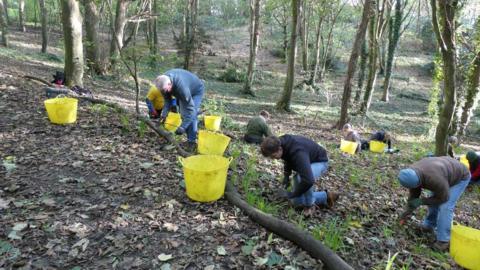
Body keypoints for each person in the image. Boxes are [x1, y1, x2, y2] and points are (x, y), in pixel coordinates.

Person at [397, 156, 470, 251]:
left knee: (445, 206)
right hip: (443, 173)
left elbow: (443, 197)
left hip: (460, 176)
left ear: (418, 182)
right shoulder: (411, 173)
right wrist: (407, 212)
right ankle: (429, 225)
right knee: (433, 200)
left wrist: (422, 201)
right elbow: (414, 194)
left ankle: (444, 240)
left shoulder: (434, 179)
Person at [260, 135, 339, 208]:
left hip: (319, 161)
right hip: (307, 160)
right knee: (296, 201)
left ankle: (310, 205)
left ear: (280, 149)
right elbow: (287, 157)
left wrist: (292, 194)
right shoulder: (280, 143)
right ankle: (326, 196)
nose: (273, 159)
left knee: (301, 179)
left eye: (273, 156)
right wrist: (286, 175)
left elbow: (308, 180)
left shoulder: (298, 152)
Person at [154, 69, 205, 147]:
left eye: (166, 90)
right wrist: (163, 115)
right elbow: (168, 101)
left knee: (191, 114)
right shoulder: (162, 84)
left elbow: (191, 110)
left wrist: (182, 127)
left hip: (196, 91)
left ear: (169, 84)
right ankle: (188, 136)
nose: (165, 92)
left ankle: (191, 142)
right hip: (182, 88)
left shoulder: (182, 88)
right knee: (183, 113)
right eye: (163, 91)